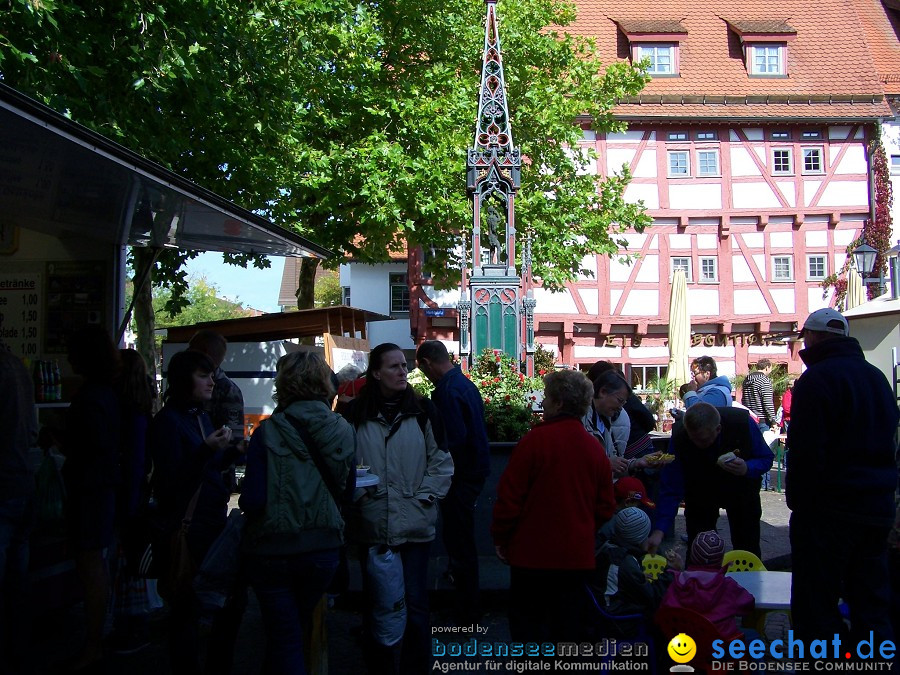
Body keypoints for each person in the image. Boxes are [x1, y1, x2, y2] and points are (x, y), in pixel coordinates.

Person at [786, 308, 898, 647]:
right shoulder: (876, 378)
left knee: (816, 606)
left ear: (813, 337)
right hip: (875, 508)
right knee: (871, 601)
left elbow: (807, 454)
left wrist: (800, 505)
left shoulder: (816, 380)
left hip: (829, 512)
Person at [240, 351, 355, 673]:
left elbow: (252, 499)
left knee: (283, 636)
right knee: (299, 627)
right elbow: (346, 491)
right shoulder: (344, 429)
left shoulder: (268, 431)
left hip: (274, 549)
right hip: (322, 548)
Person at [343, 343, 454, 675]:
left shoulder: (424, 411)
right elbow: (344, 465)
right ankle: (379, 666)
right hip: (372, 523)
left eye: (404, 366)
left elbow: (441, 464)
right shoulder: (354, 414)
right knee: (376, 601)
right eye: (393, 366)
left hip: (414, 526)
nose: (402, 371)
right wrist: (361, 498)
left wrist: (424, 498)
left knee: (416, 605)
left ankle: (415, 667)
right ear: (376, 373)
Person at [492, 370, 615, 643]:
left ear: (559, 403)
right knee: (568, 632)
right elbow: (606, 506)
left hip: (530, 557)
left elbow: (509, 500)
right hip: (575, 558)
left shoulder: (533, 443)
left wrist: (501, 538)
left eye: (547, 398)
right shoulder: (594, 449)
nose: (543, 403)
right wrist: (582, 527)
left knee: (530, 633)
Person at [150, 350, 239, 675]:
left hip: (212, 521)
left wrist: (230, 453)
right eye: (204, 375)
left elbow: (208, 469)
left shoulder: (200, 416)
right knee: (186, 607)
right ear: (184, 379)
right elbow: (171, 480)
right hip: (187, 526)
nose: (212, 380)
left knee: (221, 604)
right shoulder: (168, 421)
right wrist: (207, 450)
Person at [58, 325, 122, 672]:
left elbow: (92, 447)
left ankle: (93, 644)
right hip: (100, 490)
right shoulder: (107, 394)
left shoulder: (92, 397)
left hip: (91, 492)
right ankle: (95, 640)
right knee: (95, 565)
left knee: (91, 566)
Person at [415, 340, 490, 625]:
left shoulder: (447, 391)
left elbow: (453, 440)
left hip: (460, 476)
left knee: (459, 542)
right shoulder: (464, 384)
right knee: (462, 540)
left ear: (426, 364)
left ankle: (467, 610)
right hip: (473, 472)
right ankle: (468, 606)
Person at [646, 402, 774, 556]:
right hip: (700, 490)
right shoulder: (681, 435)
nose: (698, 445)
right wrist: (659, 530)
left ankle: (748, 577)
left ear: (718, 429)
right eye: (693, 439)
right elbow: (672, 485)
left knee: (747, 547)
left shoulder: (741, 423)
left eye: (704, 440)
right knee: (698, 547)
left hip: (741, 489)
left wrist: (747, 467)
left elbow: (766, 458)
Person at [108, 348, 155, 655]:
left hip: (126, 497)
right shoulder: (143, 410)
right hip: (137, 494)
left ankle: (128, 628)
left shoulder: (125, 413)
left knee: (124, 565)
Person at [0, 347, 37, 674]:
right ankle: (18, 651)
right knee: (17, 580)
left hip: (3, 482)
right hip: (21, 479)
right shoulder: (16, 364)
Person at [660, 530, 756, 640]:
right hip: (719, 646)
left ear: (692, 554)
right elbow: (748, 605)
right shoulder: (727, 585)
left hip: (681, 644)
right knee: (753, 636)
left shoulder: (674, 581)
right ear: (720, 560)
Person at [592, 508, 673, 637]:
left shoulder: (607, 548)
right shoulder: (625, 562)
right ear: (641, 538)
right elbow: (652, 596)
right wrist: (671, 571)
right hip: (619, 621)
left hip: (602, 611)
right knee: (663, 610)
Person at [188, 329, 245, 440]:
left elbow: (232, 439)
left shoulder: (227, 390)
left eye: (191, 350)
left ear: (205, 355)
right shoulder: (186, 381)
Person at [582, 369, 634, 478]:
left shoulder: (605, 420)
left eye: (623, 403)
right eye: (619, 400)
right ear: (603, 392)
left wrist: (637, 463)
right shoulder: (581, 417)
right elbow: (573, 459)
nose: (620, 407)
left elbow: (614, 463)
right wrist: (606, 464)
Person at [741, 359, 776, 433]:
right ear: (767, 367)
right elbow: (767, 402)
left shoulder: (746, 380)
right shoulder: (764, 381)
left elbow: (743, 400)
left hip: (749, 418)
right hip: (762, 421)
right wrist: (773, 421)